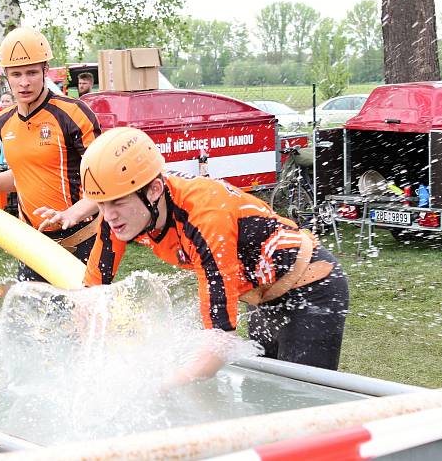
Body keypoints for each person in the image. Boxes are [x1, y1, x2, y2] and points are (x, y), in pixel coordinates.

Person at [80, 127, 349, 385]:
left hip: (312, 287)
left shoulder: (205, 217)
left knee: (297, 400)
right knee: (261, 397)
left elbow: (220, 340)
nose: (108, 215)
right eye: (101, 203)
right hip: (263, 295)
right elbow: (90, 295)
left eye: (117, 202)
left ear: (154, 190)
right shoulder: (122, 214)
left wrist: (158, 386)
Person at [0, 27, 101, 281]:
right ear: (6, 76)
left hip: (83, 239)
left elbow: (108, 182)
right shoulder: (4, 120)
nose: (24, 82)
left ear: (45, 71)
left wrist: (73, 214)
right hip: (33, 244)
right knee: (32, 318)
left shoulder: (74, 113)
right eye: (16, 74)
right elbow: (22, 176)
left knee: (84, 318)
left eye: (32, 73)